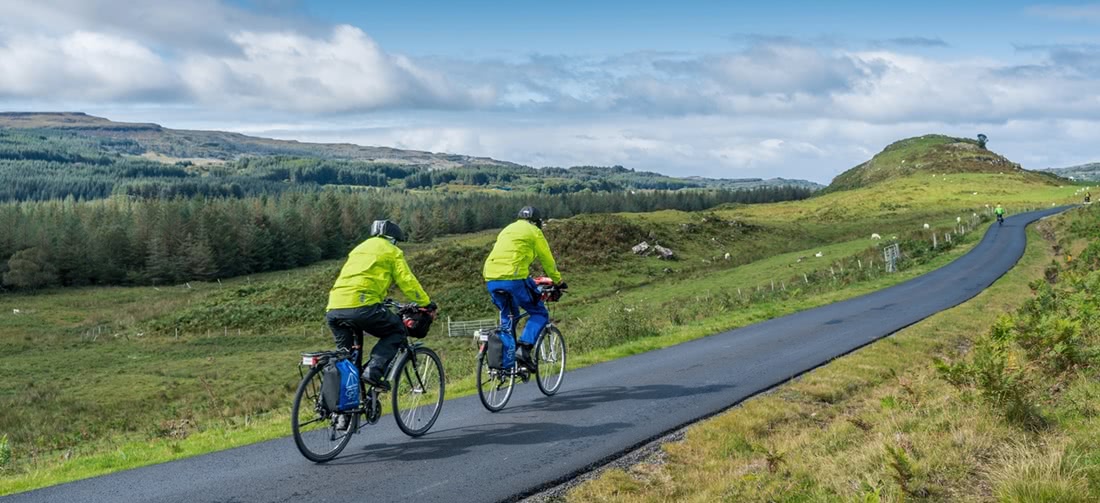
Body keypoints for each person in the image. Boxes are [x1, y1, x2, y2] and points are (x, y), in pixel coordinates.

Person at [326, 220, 435, 390]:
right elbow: (407, 281)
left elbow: (359, 278)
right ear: (393, 239)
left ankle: (342, 413)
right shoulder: (391, 251)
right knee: (397, 330)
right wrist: (425, 303)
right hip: (362, 307)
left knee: (346, 360)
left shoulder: (358, 249)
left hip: (334, 307)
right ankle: (373, 372)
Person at [483, 206, 565, 370]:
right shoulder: (534, 231)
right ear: (537, 221)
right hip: (513, 278)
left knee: (509, 316)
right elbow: (546, 259)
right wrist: (558, 280)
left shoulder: (507, 229)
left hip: (491, 278)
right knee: (540, 313)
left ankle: (506, 364)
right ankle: (524, 350)